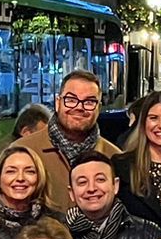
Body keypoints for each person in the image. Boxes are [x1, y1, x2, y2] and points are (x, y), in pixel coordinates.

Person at [31, 71, 120, 207]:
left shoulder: (115, 158)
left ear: (98, 108)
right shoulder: (25, 151)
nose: (79, 107)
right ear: (57, 103)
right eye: (71, 100)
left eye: (89, 102)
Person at [0, 141, 68, 239]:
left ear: (39, 178)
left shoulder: (58, 222)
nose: (20, 178)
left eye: (29, 171)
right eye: (11, 171)